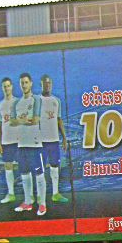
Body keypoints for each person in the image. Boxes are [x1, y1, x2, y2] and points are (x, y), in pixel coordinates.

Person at [11, 73, 47, 216]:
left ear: (31, 83)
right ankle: (28, 202)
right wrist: (24, 120)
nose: (24, 85)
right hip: (21, 144)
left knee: (39, 174)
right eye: (22, 83)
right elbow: (12, 122)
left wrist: (20, 120)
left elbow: (36, 120)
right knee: (24, 174)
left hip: (35, 144)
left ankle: (42, 204)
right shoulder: (16, 103)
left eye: (26, 82)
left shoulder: (36, 99)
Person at [39, 75, 68, 203]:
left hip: (54, 140)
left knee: (55, 166)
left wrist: (64, 138)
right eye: (45, 83)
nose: (47, 85)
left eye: (49, 83)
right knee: (40, 169)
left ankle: (55, 194)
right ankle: (41, 197)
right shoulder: (36, 100)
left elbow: (59, 120)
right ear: (41, 84)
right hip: (40, 141)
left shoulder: (56, 101)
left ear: (51, 84)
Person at [0, 77, 18, 203]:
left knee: (25, 167)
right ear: (2, 88)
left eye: (8, 86)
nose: (6, 88)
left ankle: (29, 196)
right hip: (6, 141)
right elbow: (0, 125)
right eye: (4, 86)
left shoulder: (18, 102)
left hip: (19, 140)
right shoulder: (0, 105)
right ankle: (11, 194)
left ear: (12, 86)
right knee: (8, 166)